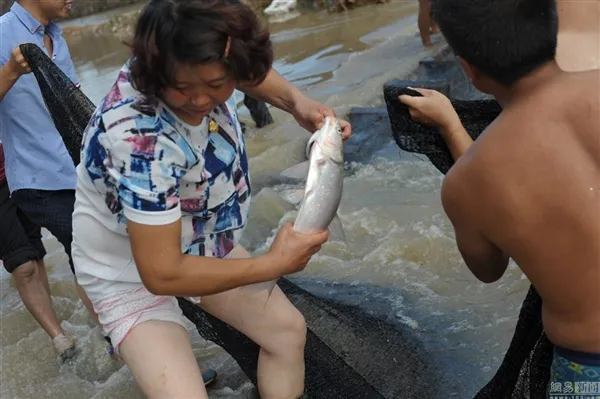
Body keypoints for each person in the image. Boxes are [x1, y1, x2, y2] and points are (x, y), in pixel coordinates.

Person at [71, 0, 351, 398]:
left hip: (196, 237)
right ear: (155, 72)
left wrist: (295, 102)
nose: (201, 101)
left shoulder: (189, 56)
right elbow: (161, 273)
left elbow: (238, 67)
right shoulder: (140, 142)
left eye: (217, 85)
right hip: (127, 268)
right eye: (182, 88)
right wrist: (272, 263)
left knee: (287, 333)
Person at [399, 0, 600, 391]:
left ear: (469, 69)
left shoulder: (466, 182)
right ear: (552, 25)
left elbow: (489, 270)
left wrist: (450, 127)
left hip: (587, 372)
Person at [0, 142, 75, 360]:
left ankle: (50, 320)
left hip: (18, 176)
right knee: (23, 266)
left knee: (36, 254)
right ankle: (59, 338)